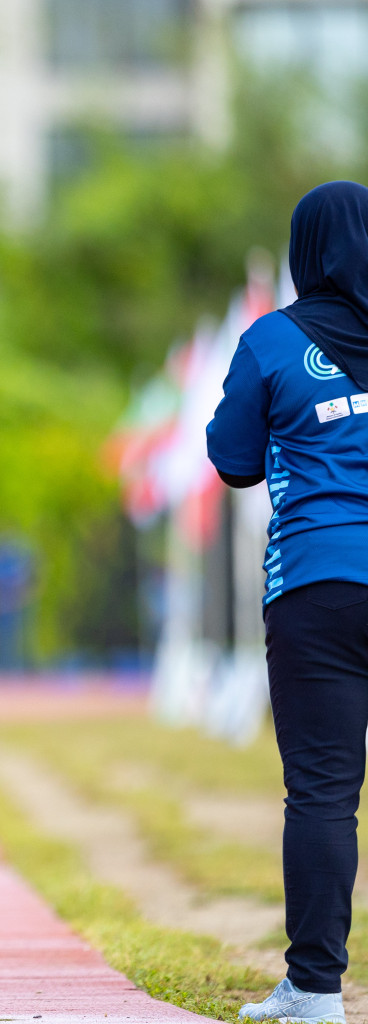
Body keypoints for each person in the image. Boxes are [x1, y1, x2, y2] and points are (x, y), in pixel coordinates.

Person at [207, 180, 368, 1024]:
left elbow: (234, 461)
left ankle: (313, 992)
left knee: (323, 792)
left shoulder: (273, 339)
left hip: (317, 586)